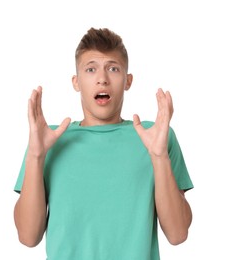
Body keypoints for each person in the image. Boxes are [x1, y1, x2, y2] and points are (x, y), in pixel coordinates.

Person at [13, 27, 194, 260]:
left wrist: (159, 156)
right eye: (91, 69)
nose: (102, 79)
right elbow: (28, 237)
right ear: (76, 82)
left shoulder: (156, 136)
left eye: (113, 68)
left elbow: (178, 234)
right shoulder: (48, 141)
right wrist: (36, 156)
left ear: (128, 81)